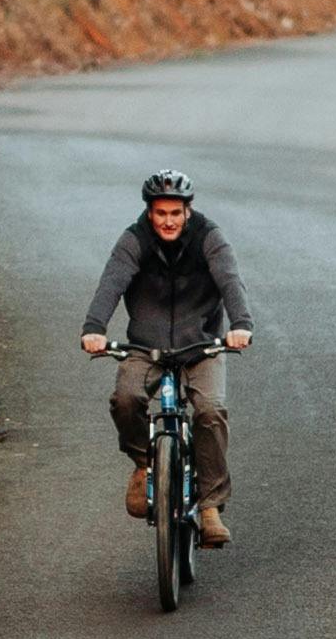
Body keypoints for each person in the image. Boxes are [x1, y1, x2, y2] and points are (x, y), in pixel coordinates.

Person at [79, 170, 256, 546]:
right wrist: (94, 327)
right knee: (126, 400)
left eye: (175, 212)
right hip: (147, 347)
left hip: (201, 346)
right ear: (150, 212)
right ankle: (145, 464)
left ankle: (210, 506)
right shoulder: (134, 239)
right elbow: (112, 282)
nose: (168, 221)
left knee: (210, 411)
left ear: (187, 211)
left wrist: (241, 325)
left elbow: (230, 280)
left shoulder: (209, 237)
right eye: (160, 213)